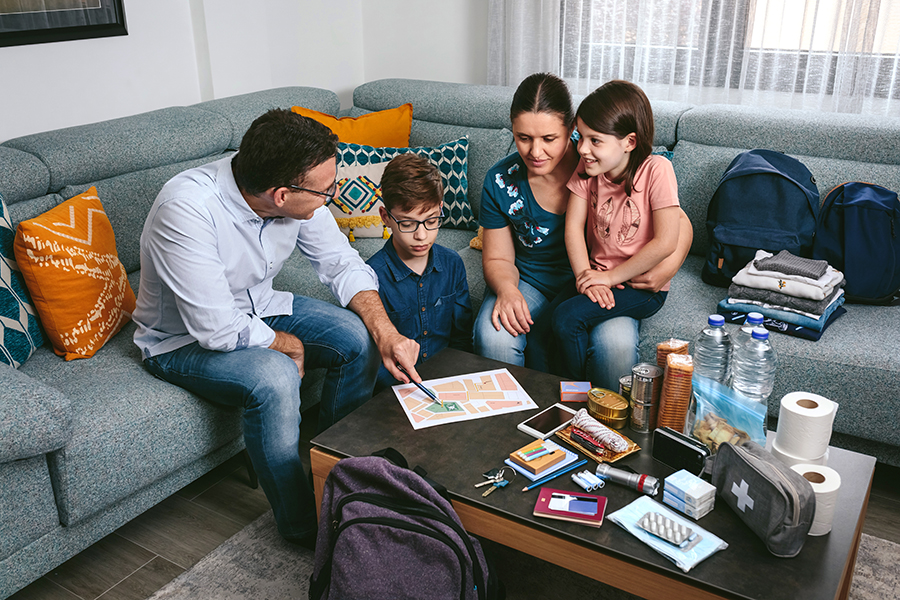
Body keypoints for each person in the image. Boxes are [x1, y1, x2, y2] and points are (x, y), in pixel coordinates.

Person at [132, 109, 420, 548]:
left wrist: (386, 333)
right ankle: (303, 527)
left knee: (356, 338)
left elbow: (341, 263)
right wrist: (284, 344)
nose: (334, 196)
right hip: (181, 341)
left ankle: (339, 481)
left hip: (259, 308)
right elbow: (215, 328)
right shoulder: (187, 209)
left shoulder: (290, 190)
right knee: (276, 375)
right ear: (282, 195)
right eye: (328, 190)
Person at [474, 73, 692, 388]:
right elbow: (499, 258)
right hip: (541, 280)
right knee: (495, 337)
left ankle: (601, 424)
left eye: (549, 138)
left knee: (613, 345)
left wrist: (667, 266)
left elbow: (675, 225)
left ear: (570, 129)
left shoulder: (597, 157)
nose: (536, 151)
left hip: (611, 278)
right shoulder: (502, 180)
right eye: (523, 137)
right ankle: (525, 418)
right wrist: (508, 291)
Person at [551, 80, 681, 380]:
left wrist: (608, 278)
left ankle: (576, 401)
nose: (582, 149)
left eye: (595, 141)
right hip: (596, 275)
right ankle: (545, 395)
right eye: (580, 137)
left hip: (639, 286)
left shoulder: (657, 170)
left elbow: (666, 241)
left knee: (567, 318)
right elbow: (572, 228)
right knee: (544, 323)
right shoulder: (587, 171)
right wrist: (587, 278)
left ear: (629, 142)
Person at [367, 154, 473, 392]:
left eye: (431, 220)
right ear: (386, 217)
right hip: (395, 389)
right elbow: (372, 360)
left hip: (448, 383)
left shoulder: (453, 263)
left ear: (440, 210)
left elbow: (461, 339)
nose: (421, 235)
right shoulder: (371, 276)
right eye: (407, 223)